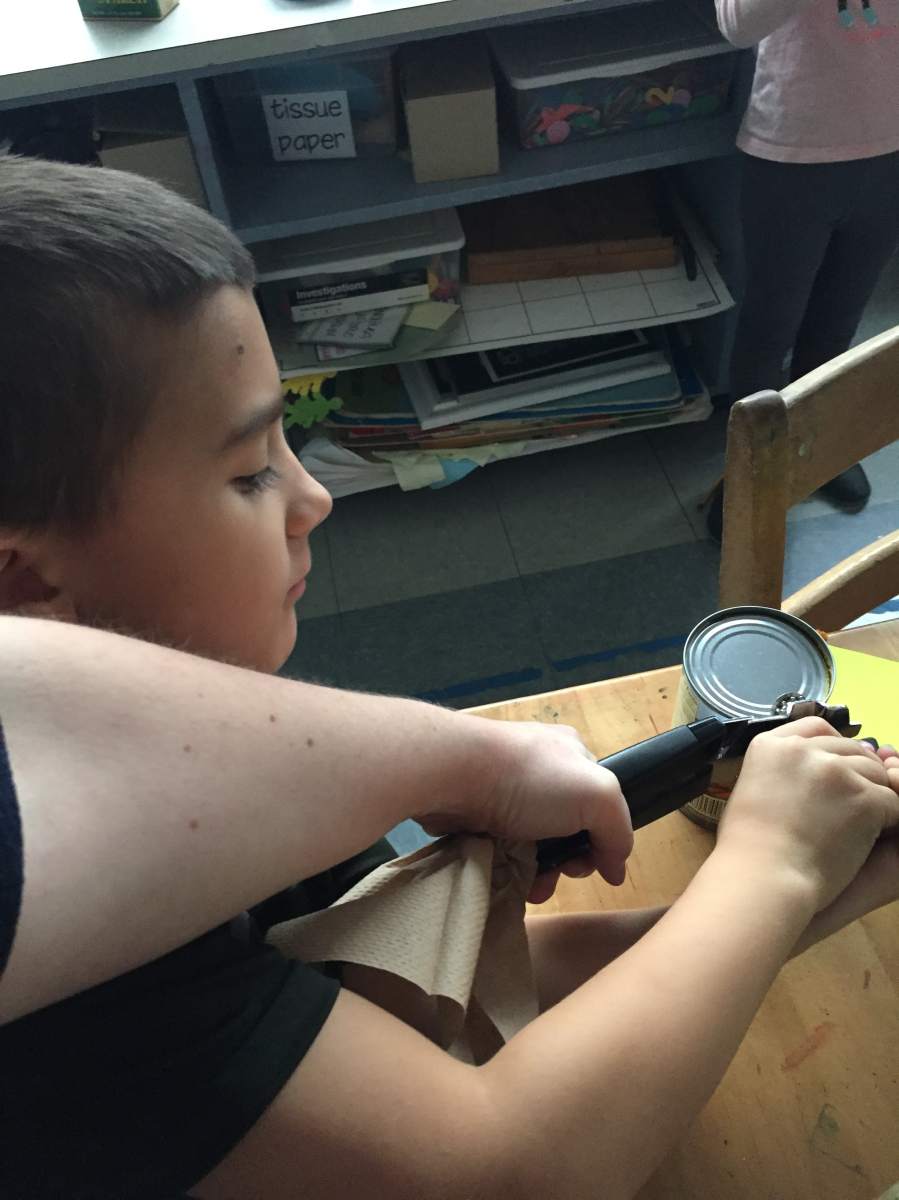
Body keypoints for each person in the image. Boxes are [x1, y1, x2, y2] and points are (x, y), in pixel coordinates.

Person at [1, 157, 898, 1200]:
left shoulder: (187, 784)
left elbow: (409, 997)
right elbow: (505, 1169)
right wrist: (769, 867)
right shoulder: (87, 979)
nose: (312, 498)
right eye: (249, 471)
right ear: (26, 585)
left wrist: (804, 888)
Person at [709, 0, 899, 538]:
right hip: (793, 150)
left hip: (890, 148)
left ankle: (818, 448)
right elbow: (737, 24)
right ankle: (751, 474)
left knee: (837, 322)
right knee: (769, 329)